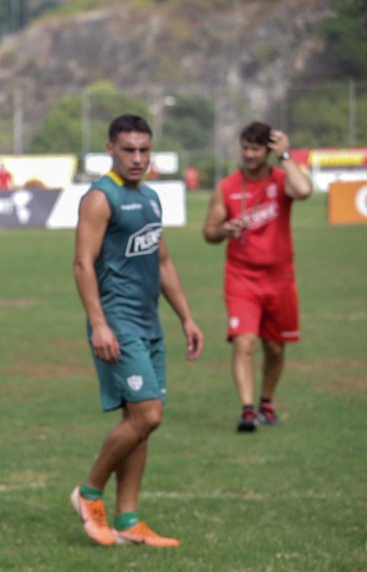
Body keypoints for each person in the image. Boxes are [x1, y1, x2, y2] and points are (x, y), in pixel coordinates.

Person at [70, 114, 203, 548]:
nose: (138, 158)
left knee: (140, 422)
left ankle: (128, 518)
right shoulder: (99, 198)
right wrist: (100, 324)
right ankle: (89, 494)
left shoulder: (149, 198)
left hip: (149, 323)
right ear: (110, 149)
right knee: (148, 414)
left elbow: (163, 262)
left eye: (145, 150)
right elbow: (82, 264)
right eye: (129, 150)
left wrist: (186, 317)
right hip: (117, 322)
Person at [202, 122, 312, 432]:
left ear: (268, 150)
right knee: (245, 342)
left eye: (256, 149)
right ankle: (247, 409)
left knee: (275, 348)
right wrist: (223, 231)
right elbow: (208, 233)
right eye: (245, 148)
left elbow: (303, 191)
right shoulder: (226, 187)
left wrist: (286, 155)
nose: (249, 155)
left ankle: (266, 401)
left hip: (280, 279)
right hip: (241, 278)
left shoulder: (281, 180)